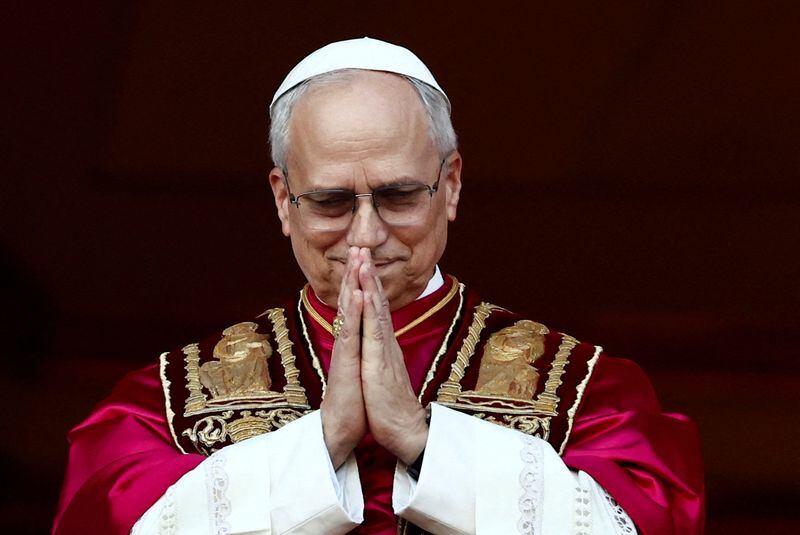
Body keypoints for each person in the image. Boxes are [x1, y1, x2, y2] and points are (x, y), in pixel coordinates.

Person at [52, 37, 704, 534]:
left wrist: (425, 441)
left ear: (449, 185)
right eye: (333, 201)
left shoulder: (587, 391)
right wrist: (321, 443)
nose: (365, 235)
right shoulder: (161, 406)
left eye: (396, 195)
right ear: (283, 199)